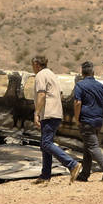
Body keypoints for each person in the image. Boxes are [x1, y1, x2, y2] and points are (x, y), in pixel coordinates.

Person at [31, 55, 81, 185]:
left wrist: (37, 113)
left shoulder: (41, 75)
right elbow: (60, 94)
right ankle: (45, 175)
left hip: (48, 114)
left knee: (46, 143)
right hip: (56, 113)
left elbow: (41, 94)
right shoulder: (52, 75)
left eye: (32, 65)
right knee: (45, 144)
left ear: (36, 64)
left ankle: (72, 164)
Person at [72, 61, 103, 182]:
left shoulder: (80, 85)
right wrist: (101, 113)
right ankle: (84, 174)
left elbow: (77, 103)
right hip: (98, 121)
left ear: (82, 73)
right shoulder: (101, 86)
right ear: (93, 72)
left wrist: (77, 117)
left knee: (93, 146)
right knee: (87, 147)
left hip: (86, 120)